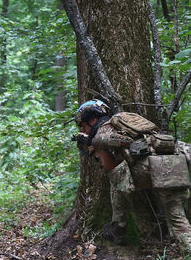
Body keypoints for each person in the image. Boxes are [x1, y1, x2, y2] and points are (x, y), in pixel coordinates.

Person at [73, 99, 191, 249]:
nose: (84, 131)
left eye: (83, 126)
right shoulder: (123, 124)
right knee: (177, 218)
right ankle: (119, 226)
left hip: (161, 169)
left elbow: (116, 176)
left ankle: (119, 226)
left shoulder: (100, 137)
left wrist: (95, 149)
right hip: (178, 158)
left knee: (177, 222)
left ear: (93, 119)